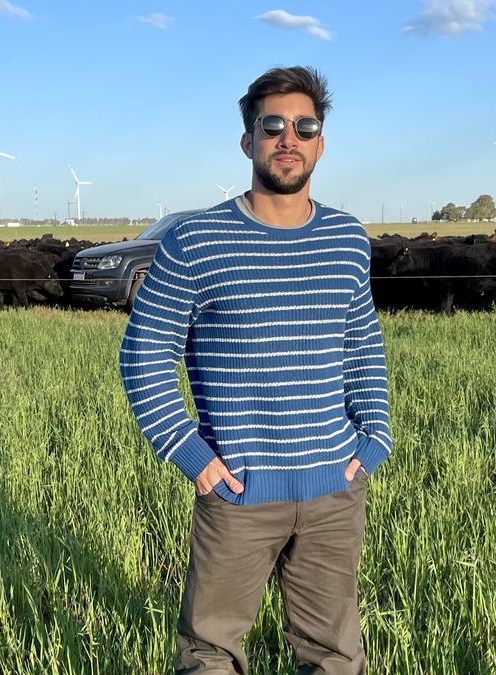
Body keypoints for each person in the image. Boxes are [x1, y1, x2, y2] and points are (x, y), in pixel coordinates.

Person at [119, 65, 392, 674]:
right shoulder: (196, 241)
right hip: (238, 492)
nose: (288, 138)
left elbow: (361, 342)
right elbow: (144, 353)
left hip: (335, 489)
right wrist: (193, 456)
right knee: (211, 652)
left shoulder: (347, 238)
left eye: (304, 127)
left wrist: (374, 435)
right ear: (248, 141)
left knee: (335, 655)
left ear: (321, 143)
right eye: (272, 126)